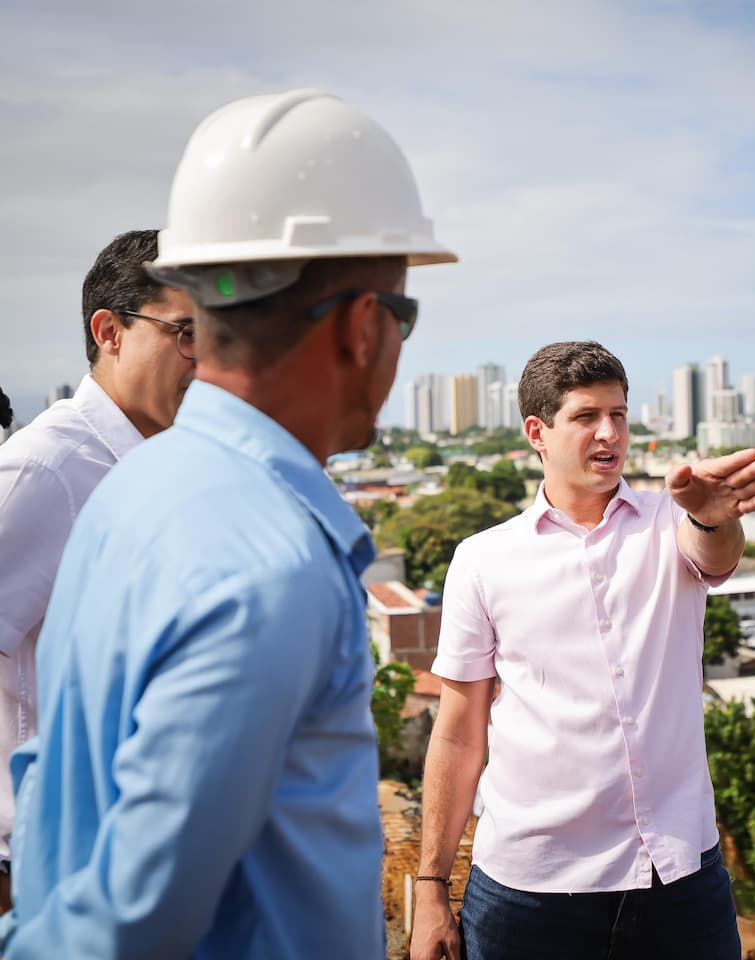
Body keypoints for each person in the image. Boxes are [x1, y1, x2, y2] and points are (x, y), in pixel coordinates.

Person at [1, 89, 456, 958]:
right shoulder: (266, 561)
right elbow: (133, 918)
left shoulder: (136, 487)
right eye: (403, 315)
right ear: (366, 327)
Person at [411, 341, 755, 960]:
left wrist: (716, 517)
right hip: (530, 889)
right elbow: (458, 731)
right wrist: (429, 886)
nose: (609, 433)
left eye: (619, 414)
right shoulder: (483, 558)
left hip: (678, 876)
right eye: (586, 416)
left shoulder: (672, 520)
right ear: (538, 432)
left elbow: (713, 552)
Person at [0, 229, 196, 912]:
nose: (205, 360)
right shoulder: (43, 471)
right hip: (41, 867)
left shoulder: (166, 462)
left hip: (136, 860)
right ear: (108, 331)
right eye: (184, 334)